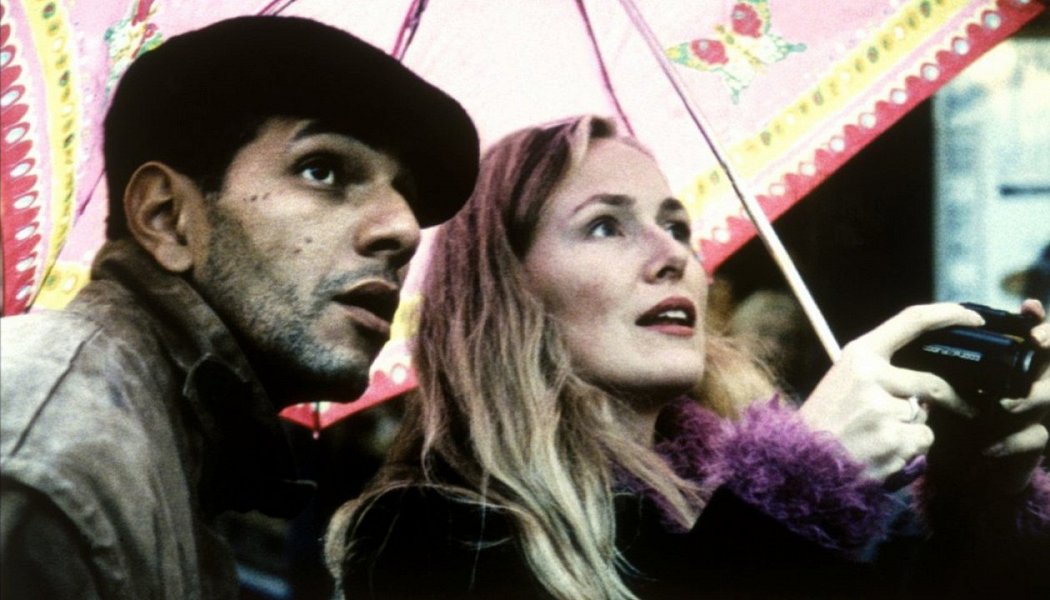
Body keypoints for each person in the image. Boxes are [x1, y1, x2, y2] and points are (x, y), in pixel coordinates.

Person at [325, 116, 1049, 599]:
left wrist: (980, 505)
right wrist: (797, 491)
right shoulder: (424, 536)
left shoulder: (737, 495)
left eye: (676, 226)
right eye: (605, 226)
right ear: (508, 289)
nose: (670, 254)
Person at [0, 16, 478, 599]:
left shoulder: (159, 452)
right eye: (323, 170)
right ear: (166, 217)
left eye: (407, 195)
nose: (403, 230)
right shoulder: (51, 462)